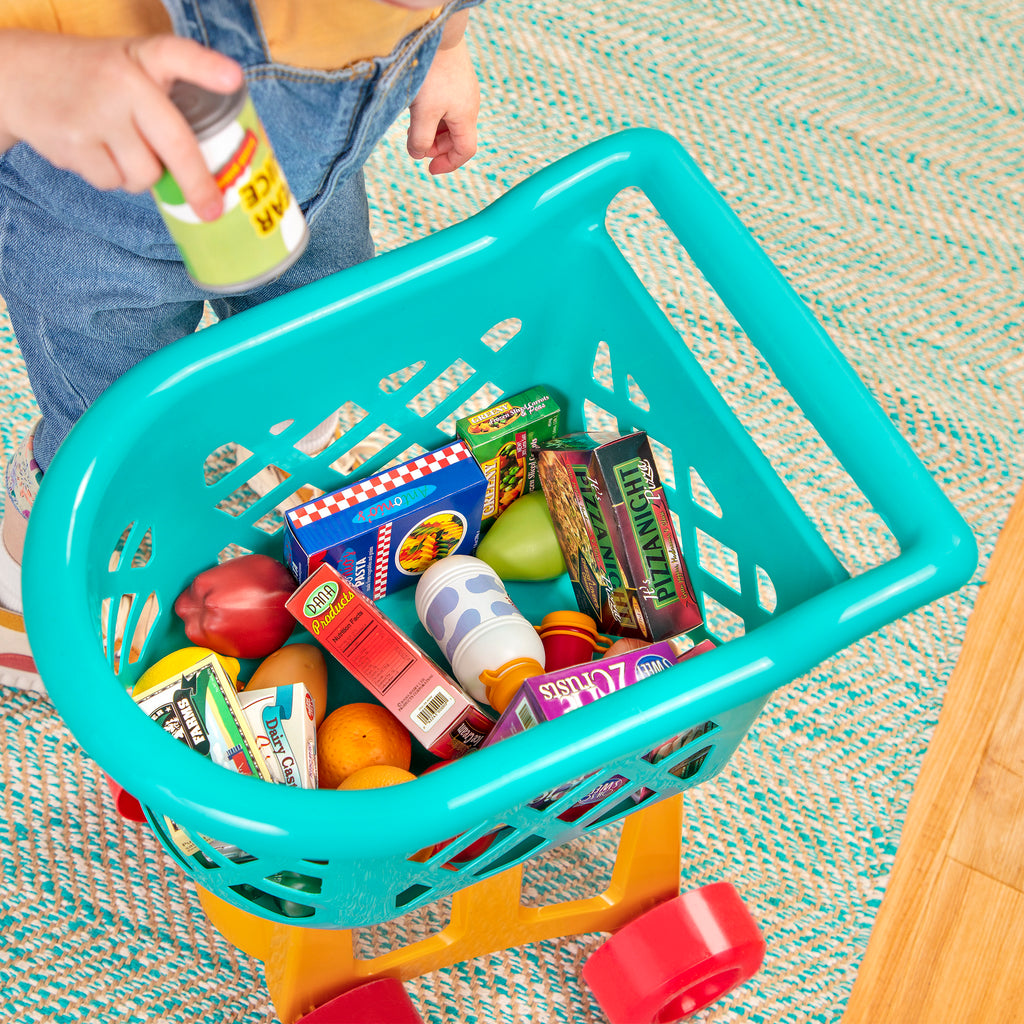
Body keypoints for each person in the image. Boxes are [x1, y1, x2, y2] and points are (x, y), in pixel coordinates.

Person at [0, 0, 484, 691]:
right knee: (103, 436)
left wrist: (444, 47)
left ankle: (293, 437)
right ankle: (22, 590)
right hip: (93, 222)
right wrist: (21, 77)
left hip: (299, 190)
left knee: (320, 339)